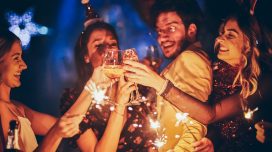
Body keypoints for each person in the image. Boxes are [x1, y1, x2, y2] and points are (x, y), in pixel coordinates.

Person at [124, 0, 212, 151]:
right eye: (159, 31)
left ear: (191, 30)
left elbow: (196, 124)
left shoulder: (191, 59)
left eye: (171, 28)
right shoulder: (180, 61)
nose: (162, 38)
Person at [60, 21, 157, 152]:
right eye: (98, 45)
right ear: (86, 57)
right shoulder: (74, 100)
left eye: (113, 44)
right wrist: (120, 103)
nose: (108, 49)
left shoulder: (137, 87)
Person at [0, 30, 84, 152]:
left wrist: (93, 86)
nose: (24, 65)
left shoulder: (19, 109)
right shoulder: (2, 109)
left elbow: (63, 124)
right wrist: (56, 134)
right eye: (16, 58)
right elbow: (58, 128)